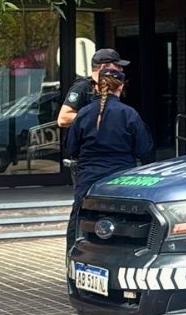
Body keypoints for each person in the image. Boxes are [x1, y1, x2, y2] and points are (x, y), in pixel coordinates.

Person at [63, 67, 154, 246]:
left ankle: (74, 258)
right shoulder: (129, 114)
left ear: (97, 87)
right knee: (124, 221)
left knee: (78, 219)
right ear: (120, 87)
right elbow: (145, 150)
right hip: (122, 178)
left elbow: (71, 147)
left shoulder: (83, 113)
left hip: (88, 178)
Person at [57, 48, 130, 128]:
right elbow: (63, 119)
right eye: (117, 65)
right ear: (104, 67)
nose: (121, 69)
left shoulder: (112, 86)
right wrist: (97, 118)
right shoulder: (83, 87)